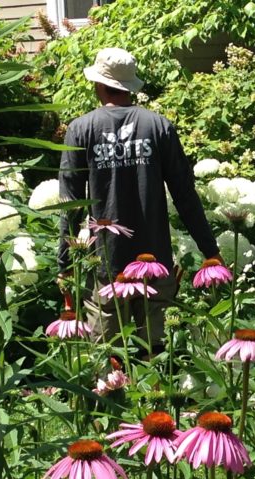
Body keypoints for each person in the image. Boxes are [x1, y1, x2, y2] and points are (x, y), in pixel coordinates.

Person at [58, 47, 220, 355]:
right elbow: (185, 195)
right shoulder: (159, 127)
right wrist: (210, 250)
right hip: (155, 265)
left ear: (100, 84)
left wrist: (64, 264)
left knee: (107, 363)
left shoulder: (81, 129)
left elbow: (70, 201)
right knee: (157, 359)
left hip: (106, 267)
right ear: (128, 86)